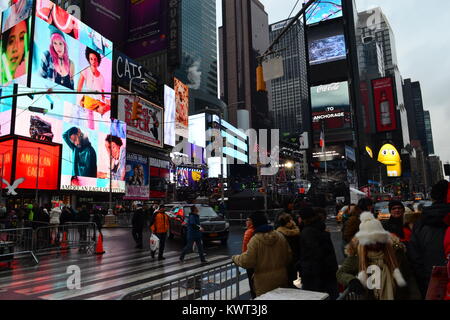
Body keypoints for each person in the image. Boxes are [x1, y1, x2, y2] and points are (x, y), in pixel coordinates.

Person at [336, 212, 421, 300]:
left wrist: (415, 296)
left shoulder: (396, 251)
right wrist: (351, 280)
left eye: (378, 239)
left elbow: (409, 276)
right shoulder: (357, 255)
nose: (375, 244)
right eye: (371, 241)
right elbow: (340, 273)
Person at [232, 212, 291, 298]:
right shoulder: (280, 236)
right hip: (281, 278)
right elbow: (288, 256)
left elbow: (247, 261)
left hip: (263, 282)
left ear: (255, 223)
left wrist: (235, 258)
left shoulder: (255, 240)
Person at [408, 180, 450, 298]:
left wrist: (424, 277)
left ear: (432, 198)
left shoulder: (420, 222)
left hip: (430, 279)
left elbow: (414, 254)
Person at [296, 207, 339, 300]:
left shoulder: (308, 232)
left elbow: (314, 254)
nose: (298, 219)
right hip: (327, 272)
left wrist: (301, 265)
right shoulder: (320, 228)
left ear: (304, 218)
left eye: (299, 216)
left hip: (313, 275)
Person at [40, 25, 75, 89]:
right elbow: (40, 79)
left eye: (60, 43)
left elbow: (72, 87)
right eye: (55, 43)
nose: (58, 47)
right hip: (50, 97)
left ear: (64, 44)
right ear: (52, 45)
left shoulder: (71, 64)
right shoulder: (46, 56)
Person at [77, 47, 108, 114]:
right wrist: (81, 100)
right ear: (89, 59)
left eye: (95, 59)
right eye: (91, 59)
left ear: (98, 61)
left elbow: (102, 94)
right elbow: (78, 89)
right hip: (88, 101)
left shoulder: (101, 77)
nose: (93, 62)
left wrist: (105, 102)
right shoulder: (85, 71)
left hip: (98, 103)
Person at [276, 213, 300, 288]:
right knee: (291, 279)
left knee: (285, 281)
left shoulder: (279, 233)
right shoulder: (296, 231)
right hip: (294, 258)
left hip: (283, 260)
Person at [242, 215, 256, 299]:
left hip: (250, 260)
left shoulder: (249, 232)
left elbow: (245, 247)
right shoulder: (256, 230)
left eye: (248, 220)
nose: (246, 221)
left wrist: (243, 258)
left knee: (251, 282)